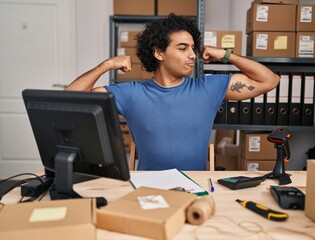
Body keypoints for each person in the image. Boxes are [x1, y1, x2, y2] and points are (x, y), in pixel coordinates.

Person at [65, 14, 279, 171]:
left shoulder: (207, 88)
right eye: (182, 48)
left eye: (193, 48)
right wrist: (106, 65)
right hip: (150, 191)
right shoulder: (130, 93)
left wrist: (226, 55)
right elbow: (68, 100)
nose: (192, 55)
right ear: (159, 52)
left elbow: (270, 80)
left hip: (196, 190)